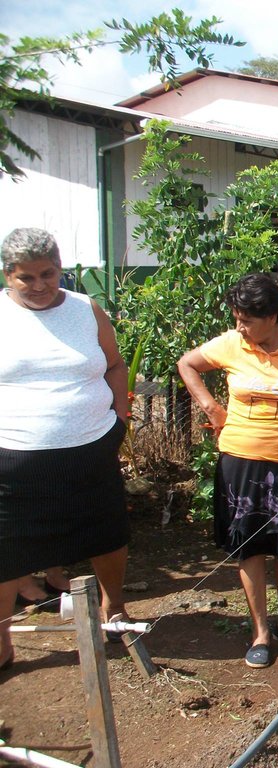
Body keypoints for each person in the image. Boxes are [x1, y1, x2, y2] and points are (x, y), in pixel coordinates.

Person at [178, 273, 278, 668]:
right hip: (240, 461)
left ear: (274, 317)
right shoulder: (232, 343)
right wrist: (212, 408)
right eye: (237, 318)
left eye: (247, 319)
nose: (240, 327)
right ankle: (260, 631)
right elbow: (188, 364)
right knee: (251, 546)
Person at [1, 228, 130, 673]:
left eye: (48, 274)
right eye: (26, 278)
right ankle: (1, 640)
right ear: (8, 275)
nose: (39, 285)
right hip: (15, 456)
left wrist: (121, 420)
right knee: (7, 547)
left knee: (107, 532)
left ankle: (113, 610)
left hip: (92, 446)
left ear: (61, 269)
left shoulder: (85, 310)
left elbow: (115, 364)